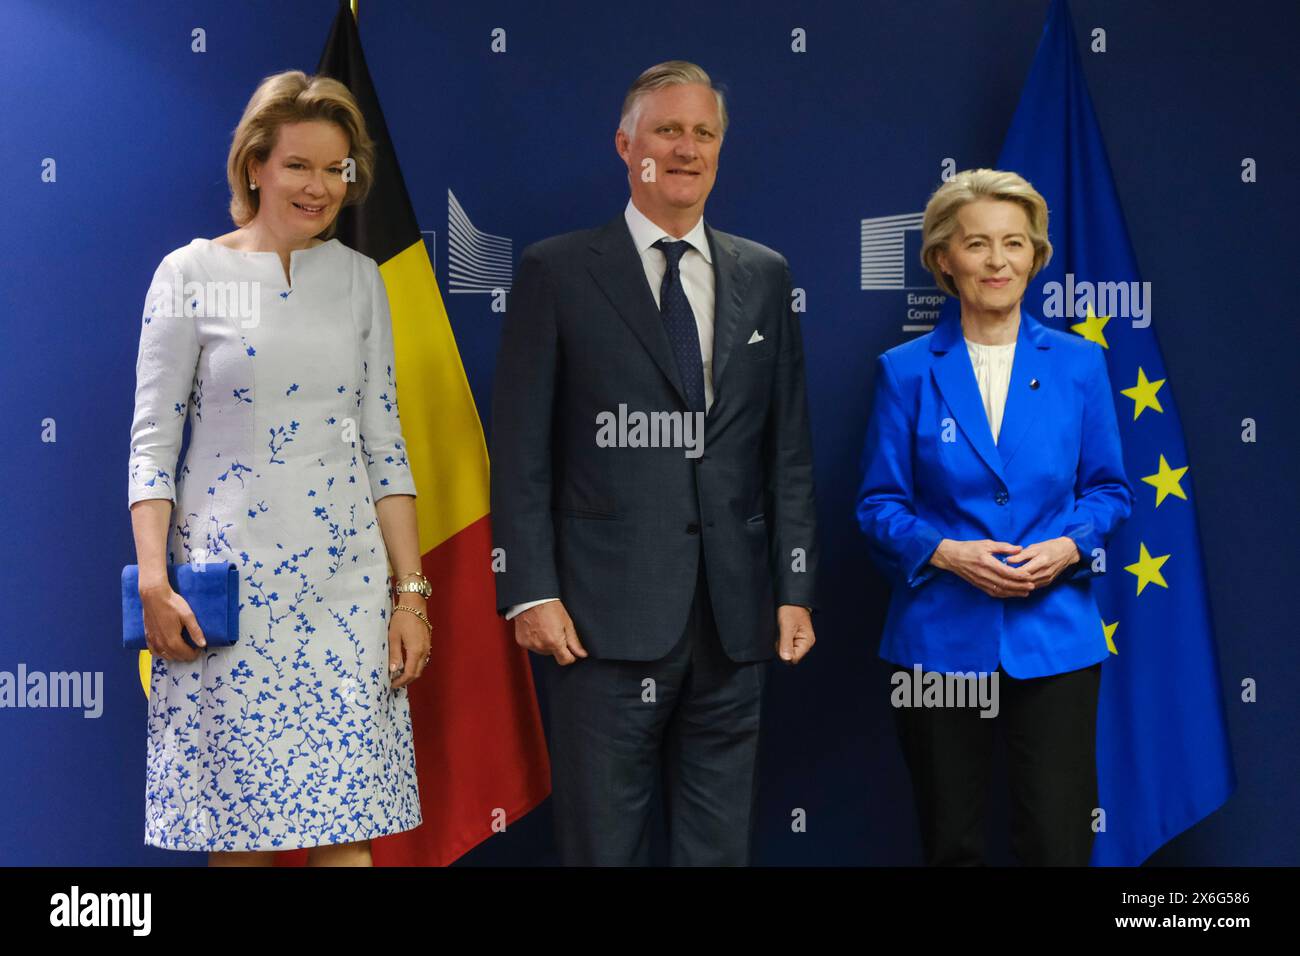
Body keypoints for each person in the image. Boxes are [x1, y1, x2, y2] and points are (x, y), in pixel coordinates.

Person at [490, 61, 819, 866]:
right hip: (597, 624)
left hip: (734, 621)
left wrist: (795, 589)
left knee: (718, 852)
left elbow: (788, 452)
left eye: (703, 133)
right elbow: (522, 451)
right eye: (667, 130)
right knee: (604, 850)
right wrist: (530, 589)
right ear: (625, 144)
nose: (686, 148)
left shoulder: (765, 274)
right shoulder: (557, 271)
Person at [127, 70, 432, 866]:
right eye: (300, 165)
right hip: (229, 594)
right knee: (240, 844)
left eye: (337, 169)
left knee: (346, 844)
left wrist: (412, 595)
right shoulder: (189, 273)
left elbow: (385, 445)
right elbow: (152, 445)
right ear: (255, 164)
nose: (320, 187)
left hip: (346, 594)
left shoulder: (362, 281)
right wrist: (155, 582)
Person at [855, 168, 1133, 865]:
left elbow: (1110, 492)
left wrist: (1069, 547)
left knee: (1056, 839)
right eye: (977, 244)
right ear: (944, 258)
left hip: (1058, 640)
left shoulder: (1080, 365)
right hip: (939, 640)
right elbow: (878, 505)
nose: (998, 260)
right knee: (953, 841)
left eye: (1014, 243)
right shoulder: (906, 369)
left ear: (1037, 256)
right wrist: (947, 553)